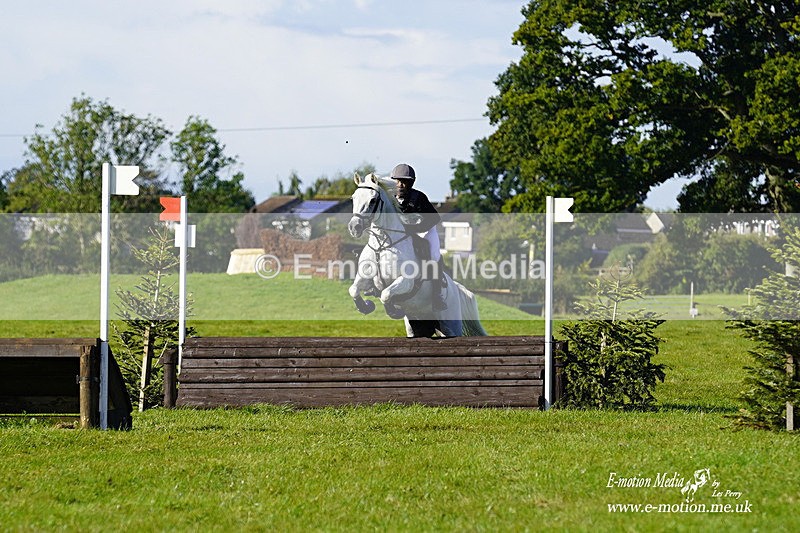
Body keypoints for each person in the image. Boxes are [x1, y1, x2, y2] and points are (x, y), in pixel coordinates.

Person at [390, 163, 447, 310]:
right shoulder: (391, 199)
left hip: (425, 230)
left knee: (434, 256)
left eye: (404, 181)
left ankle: (437, 294)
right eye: (397, 181)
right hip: (403, 234)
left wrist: (415, 229)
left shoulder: (419, 197)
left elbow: (434, 218)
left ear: (410, 183)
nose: (400, 185)